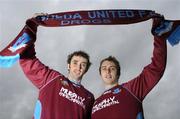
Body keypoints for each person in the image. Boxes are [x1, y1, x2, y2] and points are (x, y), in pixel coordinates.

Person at [19, 14, 94, 119]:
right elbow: (27, 59)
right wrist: (32, 27)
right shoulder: (52, 78)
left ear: (86, 69)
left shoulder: (89, 97)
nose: (79, 67)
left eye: (83, 64)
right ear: (68, 65)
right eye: (75, 63)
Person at [91, 18, 167, 119]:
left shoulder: (132, 89)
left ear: (118, 73)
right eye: (104, 68)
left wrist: (158, 35)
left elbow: (157, 68)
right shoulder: (95, 103)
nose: (107, 71)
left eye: (112, 68)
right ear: (100, 73)